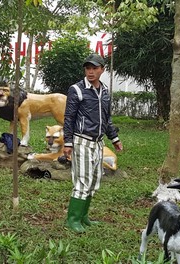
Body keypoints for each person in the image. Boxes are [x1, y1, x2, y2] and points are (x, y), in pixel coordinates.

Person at [62, 53, 123, 233]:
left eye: (95, 68)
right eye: (88, 68)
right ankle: (72, 219)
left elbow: (107, 118)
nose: (90, 72)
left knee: (95, 179)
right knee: (83, 180)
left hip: (98, 143)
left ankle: (83, 216)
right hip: (82, 141)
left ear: (102, 70)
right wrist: (68, 142)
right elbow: (69, 118)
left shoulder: (104, 91)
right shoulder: (77, 89)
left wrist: (115, 139)